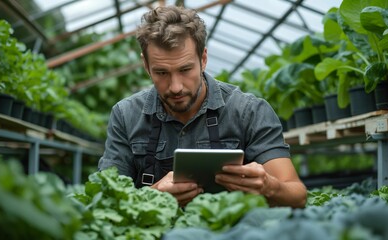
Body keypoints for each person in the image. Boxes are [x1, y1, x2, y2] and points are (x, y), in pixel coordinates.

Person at [98, 5, 307, 208]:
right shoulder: (126, 115)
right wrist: (153, 196)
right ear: (146, 65)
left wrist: (269, 187)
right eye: (161, 72)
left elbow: (297, 195)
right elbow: (104, 201)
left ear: (203, 59)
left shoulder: (249, 111)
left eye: (185, 69)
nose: (176, 87)